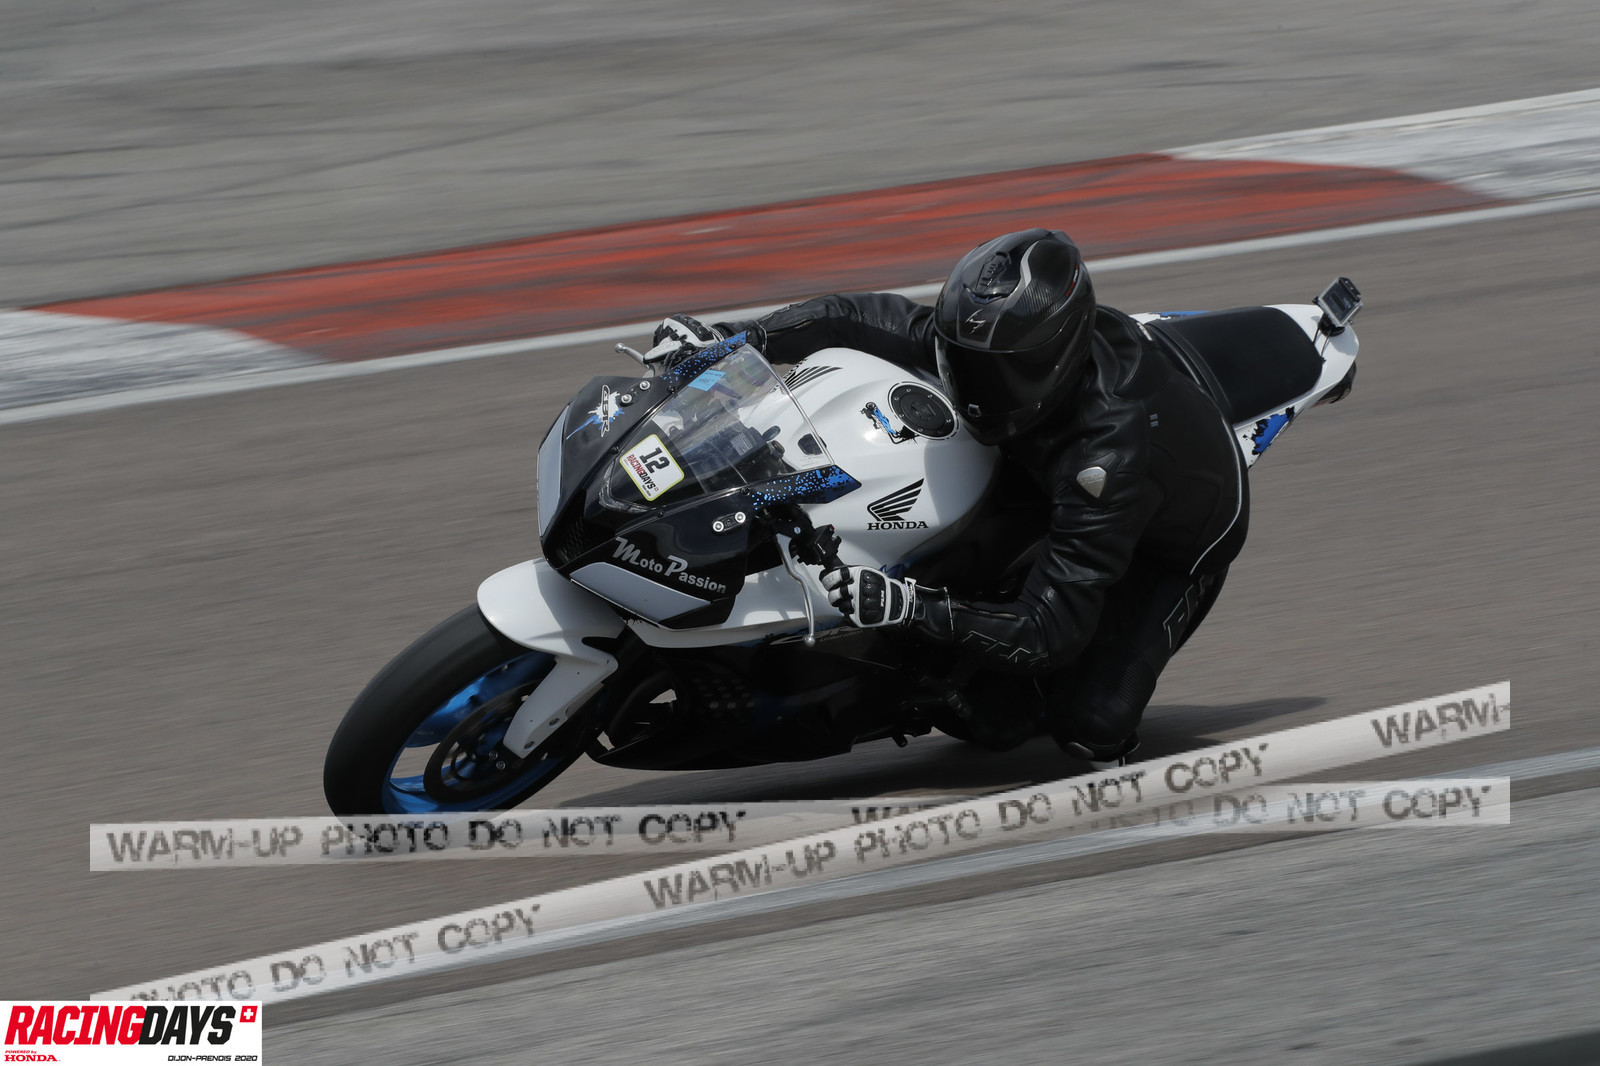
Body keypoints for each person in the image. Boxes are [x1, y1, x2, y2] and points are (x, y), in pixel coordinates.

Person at [642, 229, 1247, 766]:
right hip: (1038, 465)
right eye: (960, 359)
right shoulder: (985, 348)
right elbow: (856, 316)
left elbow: (1048, 630)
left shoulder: (1106, 459)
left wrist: (908, 607)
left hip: (1172, 544)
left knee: (1086, 726)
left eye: (996, 373)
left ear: (1055, 362)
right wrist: (731, 339)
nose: (970, 386)